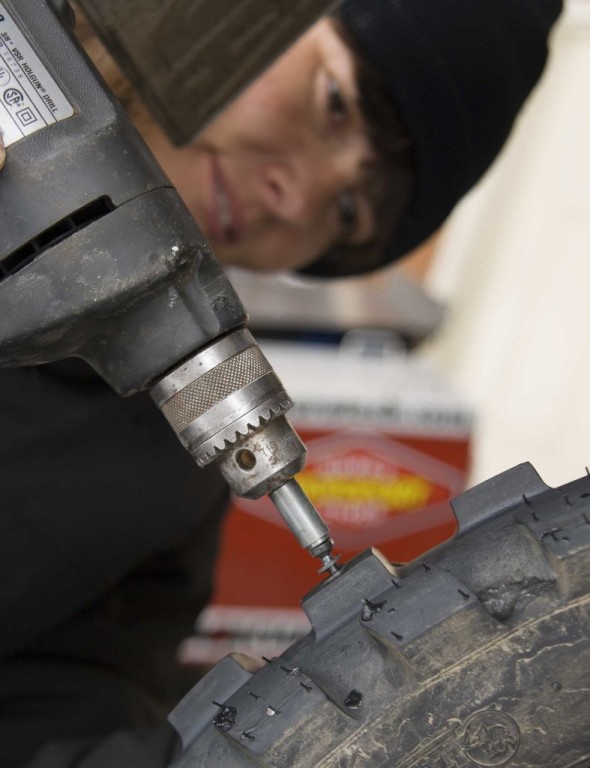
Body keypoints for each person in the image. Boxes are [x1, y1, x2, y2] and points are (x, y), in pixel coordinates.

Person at [0, 0, 562, 766]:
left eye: (348, 211)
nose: (298, 200)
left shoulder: (162, 499)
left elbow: (54, 721)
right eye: (335, 101)